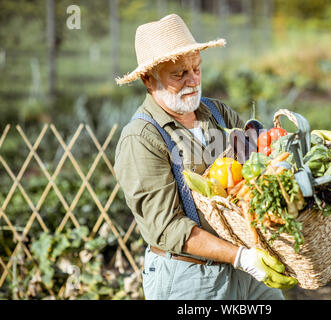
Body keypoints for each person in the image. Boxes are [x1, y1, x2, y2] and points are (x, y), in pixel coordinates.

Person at [113, 13, 297, 300]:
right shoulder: (142, 139)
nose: (193, 80)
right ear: (148, 80)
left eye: (197, 69)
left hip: (247, 265)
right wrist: (241, 257)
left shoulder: (217, 113)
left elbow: (258, 169)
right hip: (191, 278)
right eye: (179, 74)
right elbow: (167, 228)